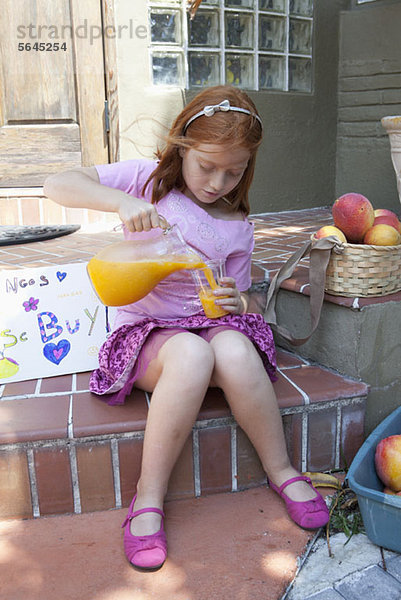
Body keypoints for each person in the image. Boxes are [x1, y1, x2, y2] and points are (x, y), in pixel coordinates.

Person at [44, 85, 329, 572]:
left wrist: (236, 300)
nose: (217, 182)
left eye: (233, 171)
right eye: (206, 166)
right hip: (150, 334)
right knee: (193, 356)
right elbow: (57, 183)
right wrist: (118, 202)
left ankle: (281, 470)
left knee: (235, 350)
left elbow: (241, 298)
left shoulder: (237, 222)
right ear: (181, 147)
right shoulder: (148, 182)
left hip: (211, 329)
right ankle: (148, 498)